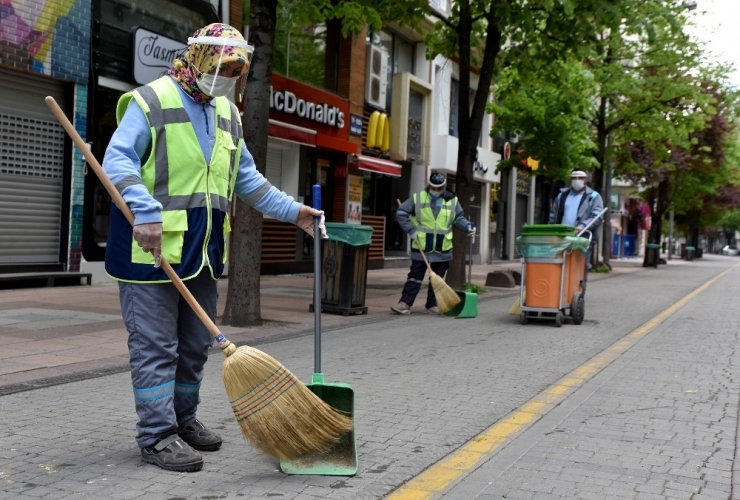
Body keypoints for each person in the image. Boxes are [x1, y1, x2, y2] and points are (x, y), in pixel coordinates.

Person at [102, 23, 325, 473]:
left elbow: (247, 180)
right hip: (151, 253)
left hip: (201, 254)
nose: (226, 77)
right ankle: (157, 436)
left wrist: (293, 211)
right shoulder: (151, 100)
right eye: (221, 66)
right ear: (198, 58)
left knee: (192, 345)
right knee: (155, 348)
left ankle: (183, 422)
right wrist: (144, 211)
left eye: (235, 70)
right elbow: (117, 160)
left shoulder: (227, 113)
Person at [391, 172, 475, 314]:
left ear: (444, 187)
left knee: (437, 279)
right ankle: (405, 303)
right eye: (433, 188)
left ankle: (432, 304)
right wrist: (411, 230)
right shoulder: (418, 198)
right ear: (429, 185)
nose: (436, 191)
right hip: (421, 246)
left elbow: (458, 219)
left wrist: (468, 226)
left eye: (439, 188)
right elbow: (401, 213)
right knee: (415, 277)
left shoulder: (452, 201)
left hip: (442, 248)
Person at [548, 169, 604, 287]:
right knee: (559, 264)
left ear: (586, 180)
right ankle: (560, 292)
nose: (577, 180)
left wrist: (582, 226)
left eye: (580, 178)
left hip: (582, 238)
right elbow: (553, 216)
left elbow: (597, 216)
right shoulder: (561, 195)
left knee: (580, 266)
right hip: (561, 237)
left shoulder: (594, 196)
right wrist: (551, 230)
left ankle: (578, 294)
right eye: (574, 178)